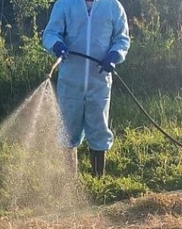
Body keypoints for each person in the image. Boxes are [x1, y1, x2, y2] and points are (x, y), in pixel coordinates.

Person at [42, 0, 130, 178]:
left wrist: (114, 55)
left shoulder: (113, 6)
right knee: (68, 129)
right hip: (71, 81)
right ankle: (69, 180)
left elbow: (122, 38)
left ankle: (98, 178)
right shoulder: (64, 4)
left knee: (98, 127)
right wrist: (57, 45)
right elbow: (50, 33)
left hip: (99, 81)